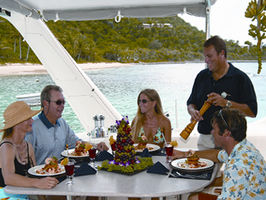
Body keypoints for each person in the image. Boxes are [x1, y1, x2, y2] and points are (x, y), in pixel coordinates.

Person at [173, 109, 266, 200]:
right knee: (194, 196)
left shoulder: (237, 166)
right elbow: (216, 155)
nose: (211, 132)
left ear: (226, 133)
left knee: (193, 197)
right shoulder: (244, 147)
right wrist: (184, 154)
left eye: (214, 129)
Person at [187, 35, 257, 150]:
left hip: (231, 141)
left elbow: (252, 111)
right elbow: (191, 102)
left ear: (222, 54)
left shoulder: (240, 78)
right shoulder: (201, 76)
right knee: (203, 168)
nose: (206, 60)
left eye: (209, 56)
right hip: (206, 139)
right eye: (205, 56)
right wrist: (192, 111)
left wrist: (225, 103)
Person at [25, 85, 108, 165]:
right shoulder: (32, 126)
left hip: (62, 170)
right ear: (45, 103)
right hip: (43, 175)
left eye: (63, 102)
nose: (62, 106)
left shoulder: (62, 122)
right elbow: (26, 159)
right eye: (58, 102)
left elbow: (76, 143)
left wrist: (96, 146)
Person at [0, 101, 58, 192]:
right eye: (28, 118)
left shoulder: (28, 146)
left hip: (26, 194)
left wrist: (48, 168)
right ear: (16, 124)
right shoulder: (6, 147)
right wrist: (37, 183)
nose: (32, 120)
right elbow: (8, 178)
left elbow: (35, 174)